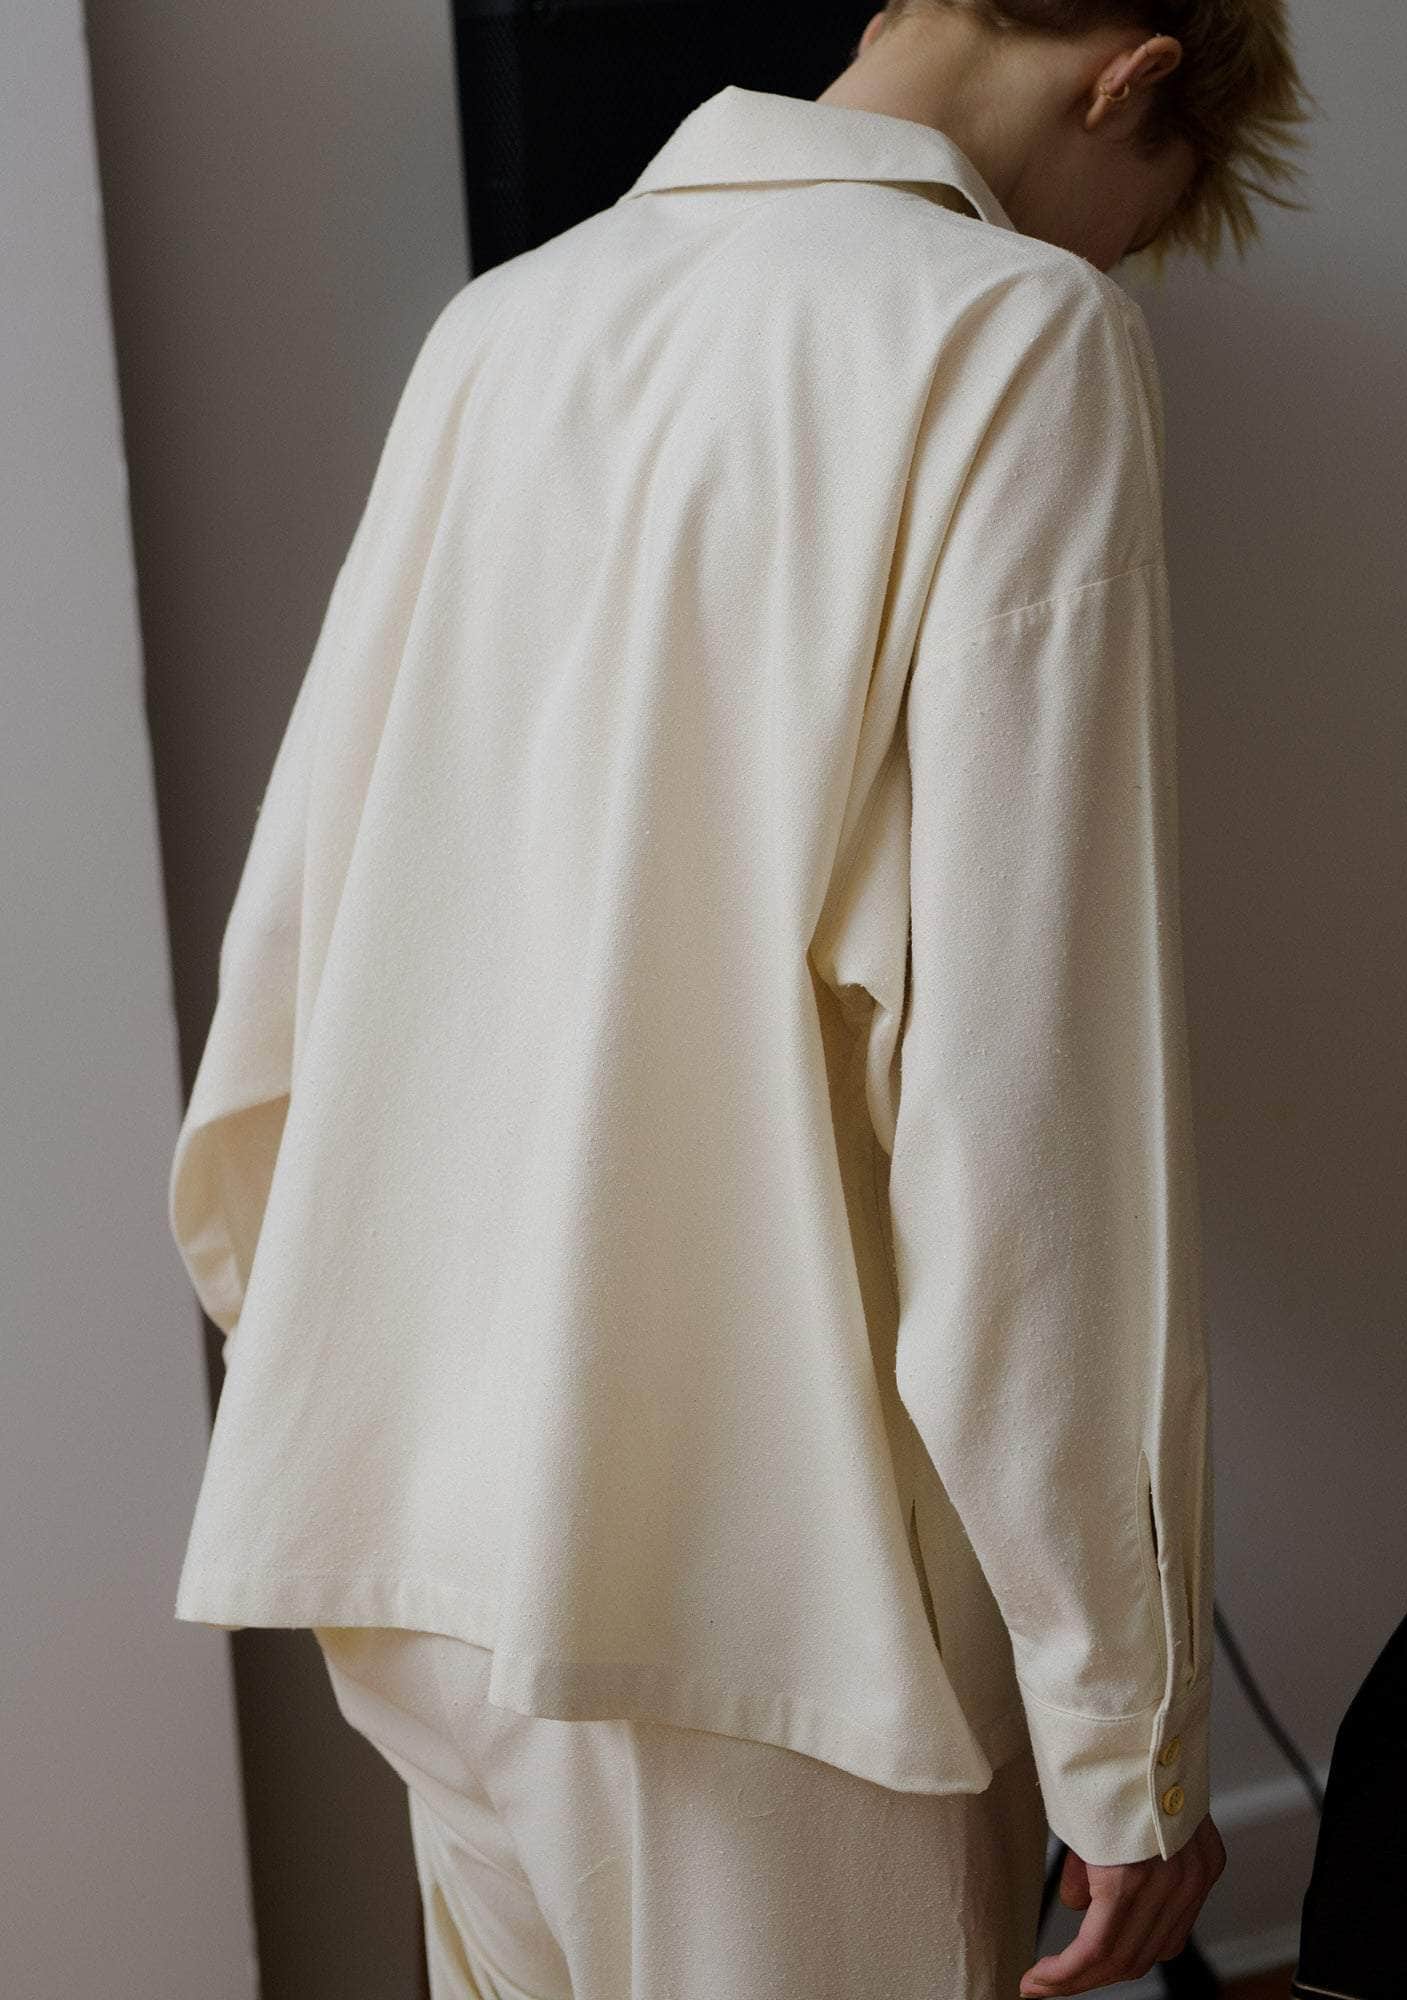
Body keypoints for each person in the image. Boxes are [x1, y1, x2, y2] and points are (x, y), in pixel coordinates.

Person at [167, 3, 1313, 1995]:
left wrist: (337, 1370)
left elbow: (302, 951)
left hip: (424, 1524)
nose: (1103, 260)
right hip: (771, 1608)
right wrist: (1121, 1734)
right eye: (1134, 221)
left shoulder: (506, 324)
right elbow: (1025, 1108)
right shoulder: (1014, 334)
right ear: (1130, 75)